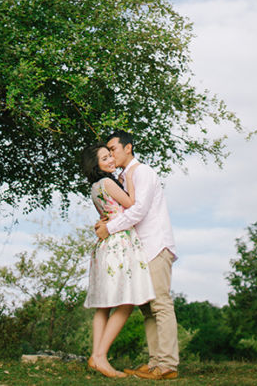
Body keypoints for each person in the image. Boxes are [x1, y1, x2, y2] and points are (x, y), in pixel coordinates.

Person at [95, 131, 178, 381]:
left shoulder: (142, 172)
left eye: (113, 149)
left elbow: (139, 210)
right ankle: (155, 363)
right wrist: (104, 222)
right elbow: (122, 210)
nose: (111, 155)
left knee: (161, 304)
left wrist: (109, 228)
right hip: (139, 250)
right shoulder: (122, 178)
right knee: (148, 309)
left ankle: (168, 364)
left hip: (155, 245)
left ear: (128, 148)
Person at [81, 143, 155, 379]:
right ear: (96, 165)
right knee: (126, 302)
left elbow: (106, 213)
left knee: (104, 305)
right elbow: (132, 204)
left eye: (110, 155)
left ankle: (96, 356)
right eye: (104, 158)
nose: (111, 160)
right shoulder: (108, 183)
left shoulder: (94, 187)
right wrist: (130, 180)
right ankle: (100, 356)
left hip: (105, 245)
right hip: (119, 243)